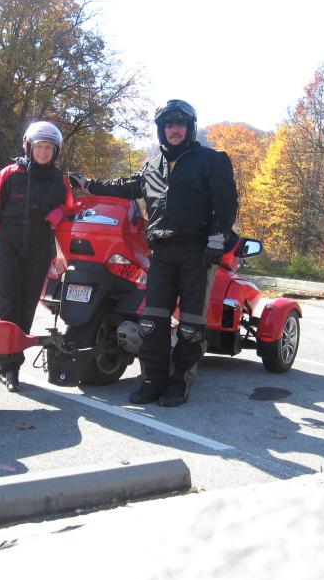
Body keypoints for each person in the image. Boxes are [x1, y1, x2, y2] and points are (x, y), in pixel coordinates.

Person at [73, 99, 238, 407]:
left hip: (197, 252)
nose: (174, 129)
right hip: (161, 252)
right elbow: (124, 187)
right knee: (151, 322)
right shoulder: (152, 166)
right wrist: (89, 185)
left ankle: (179, 382)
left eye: (180, 124)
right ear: (162, 130)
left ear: (190, 128)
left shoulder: (211, 159)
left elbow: (226, 202)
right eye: (168, 125)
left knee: (190, 326)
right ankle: (152, 380)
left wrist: (217, 241)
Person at [0, 121, 73, 392]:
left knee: (27, 304)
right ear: (28, 147)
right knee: (7, 304)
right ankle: (6, 366)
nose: (43, 152)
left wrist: (60, 214)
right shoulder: (9, 174)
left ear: (55, 152)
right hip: (8, 242)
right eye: (39, 147)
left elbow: (70, 207)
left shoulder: (59, 181)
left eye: (48, 148)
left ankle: (15, 364)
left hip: (40, 245)